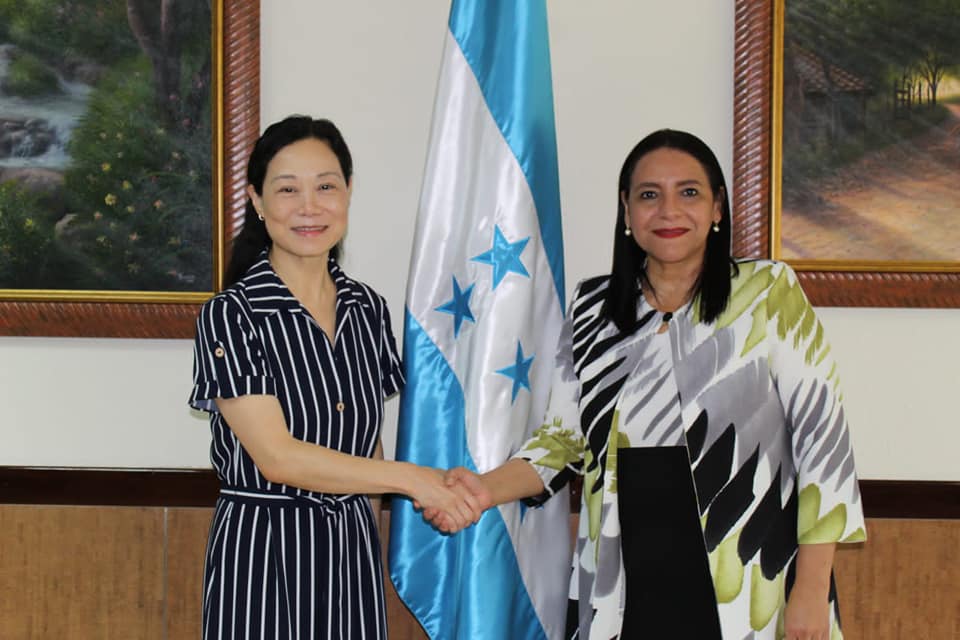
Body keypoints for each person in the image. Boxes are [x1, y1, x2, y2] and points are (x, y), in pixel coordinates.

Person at [428, 129, 866, 640]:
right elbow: (561, 441)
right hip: (624, 580)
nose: (669, 211)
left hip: (748, 580)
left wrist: (811, 589)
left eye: (689, 192)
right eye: (649, 195)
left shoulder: (769, 291)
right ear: (627, 210)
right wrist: (481, 491)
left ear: (718, 207)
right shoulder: (592, 307)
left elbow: (823, 441)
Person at [189, 115, 479, 639]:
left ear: (348, 191)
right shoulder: (232, 314)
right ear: (256, 201)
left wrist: (432, 497)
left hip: (351, 553)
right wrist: (415, 481)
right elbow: (277, 459)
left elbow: (366, 451)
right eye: (287, 189)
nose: (309, 206)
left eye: (326, 186)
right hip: (264, 554)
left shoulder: (368, 307)